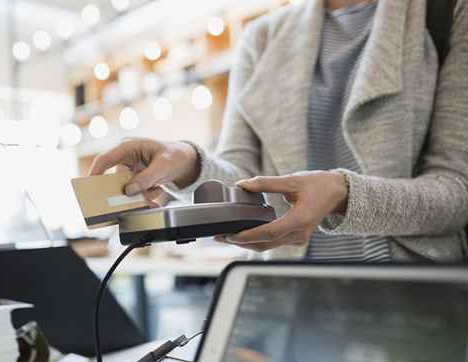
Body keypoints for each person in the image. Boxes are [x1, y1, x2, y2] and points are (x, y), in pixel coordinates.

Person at [90, 0, 468, 262]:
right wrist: (188, 163)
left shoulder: (446, 13)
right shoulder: (263, 39)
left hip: (414, 299)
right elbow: (244, 179)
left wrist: (344, 195)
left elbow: (457, 191)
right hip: (290, 295)